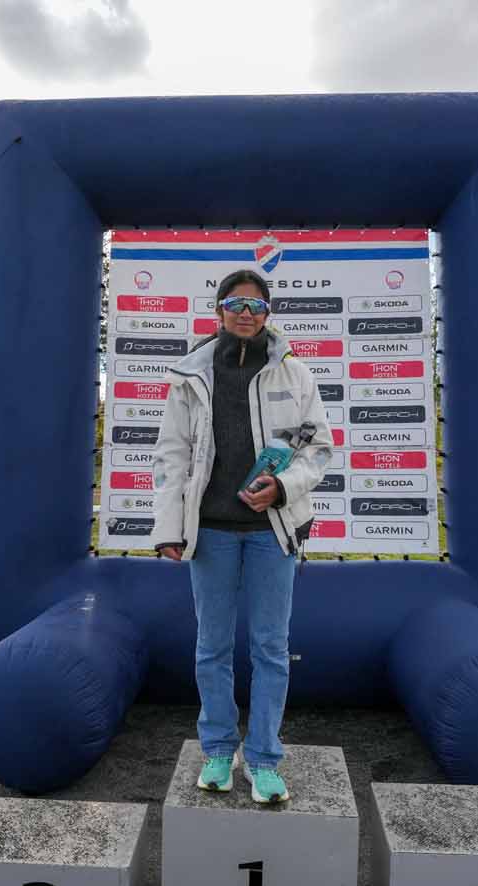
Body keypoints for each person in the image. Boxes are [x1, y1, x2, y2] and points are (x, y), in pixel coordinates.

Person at [150, 268, 332, 805]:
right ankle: (217, 750)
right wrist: (169, 527)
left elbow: (318, 450)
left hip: (273, 531)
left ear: (268, 313)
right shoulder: (191, 375)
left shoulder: (295, 373)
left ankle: (265, 759)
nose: (246, 314)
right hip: (211, 532)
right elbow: (172, 455)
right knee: (212, 647)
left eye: (256, 306)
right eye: (236, 304)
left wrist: (282, 488)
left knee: (271, 648)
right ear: (219, 311)